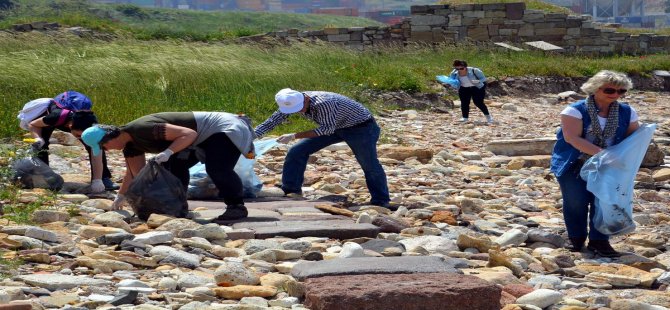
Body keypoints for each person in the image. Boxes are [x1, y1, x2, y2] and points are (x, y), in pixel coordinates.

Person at [81, 111, 255, 220]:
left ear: (110, 138)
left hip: (223, 127)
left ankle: (236, 207)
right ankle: (178, 208)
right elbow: (135, 174)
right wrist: (121, 196)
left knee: (216, 168)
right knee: (175, 166)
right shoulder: (130, 147)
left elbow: (188, 133)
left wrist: (168, 152)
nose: (107, 150)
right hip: (200, 139)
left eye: (104, 147)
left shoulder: (142, 129)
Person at [550, 70, 639, 257]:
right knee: (576, 201)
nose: (616, 95)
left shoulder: (627, 112)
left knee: (604, 202)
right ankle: (575, 238)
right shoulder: (574, 110)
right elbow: (572, 138)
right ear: (595, 89)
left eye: (621, 91)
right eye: (610, 90)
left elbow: (633, 140)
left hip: (610, 166)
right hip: (574, 162)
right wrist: (604, 154)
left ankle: (600, 241)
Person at [255, 88, 392, 209]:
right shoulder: (290, 102)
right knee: (297, 151)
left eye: (300, 108)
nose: (300, 111)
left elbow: (326, 129)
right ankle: (291, 189)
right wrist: (250, 136)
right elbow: (271, 122)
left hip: (360, 128)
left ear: (306, 98)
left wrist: (294, 135)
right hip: (335, 127)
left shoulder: (324, 102)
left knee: (368, 163)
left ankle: (381, 200)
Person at [25, 93, 118, 193]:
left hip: (76, 121)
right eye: (78, 136)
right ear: (69, 126)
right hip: (56, 118)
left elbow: (96, 150)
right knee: (41, 145)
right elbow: (33, 124)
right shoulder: (55, 117)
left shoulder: (92, 125)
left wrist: (97, 180)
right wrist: (38, 138)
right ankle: (44, 176)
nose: (81, 139)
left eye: (83, 136)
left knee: (94, 144)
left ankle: (104, 177)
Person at [446, 59, 492, 124]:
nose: (459, 70)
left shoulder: (475, 70)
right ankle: (465, 118)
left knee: (478, 102)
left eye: (461, 68)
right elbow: (451, 80)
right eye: (457, 69)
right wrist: (450, 82)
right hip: (464, 88)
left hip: (477, 87)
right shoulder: (454, 72)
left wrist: (478, 81)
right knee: (464, 103)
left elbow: (483, 79)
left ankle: (488, 117)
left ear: (465, 67)